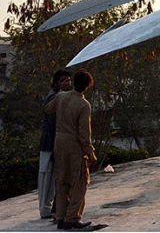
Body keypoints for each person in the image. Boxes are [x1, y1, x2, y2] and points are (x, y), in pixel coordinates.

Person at [45, 69, 97, 230]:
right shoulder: (84, 105)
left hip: (59, 143)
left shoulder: (60, 96)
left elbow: (48, 109)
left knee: (62, 181)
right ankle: (72, 218)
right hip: (74, 145)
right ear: (87, 86)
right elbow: (84, 135)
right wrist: (91, 153)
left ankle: (60, 217)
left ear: (74, 82)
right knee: (79, 183)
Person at [38, 69, 72, 219]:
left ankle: (52, 209)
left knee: (55, 178)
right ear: (57, 82)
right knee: (46, 178)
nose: (67, 83)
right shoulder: (54, 97)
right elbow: (52, 125)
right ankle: (45, 210)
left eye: (69, 80)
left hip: (55, 143)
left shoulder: (61, 97)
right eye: (64, 80)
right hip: (49, 144)